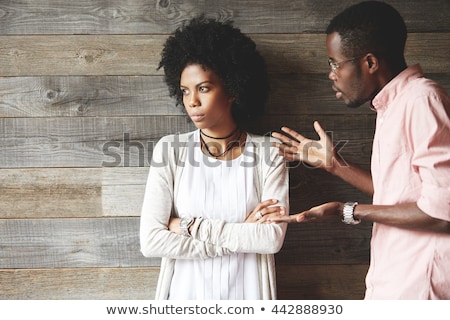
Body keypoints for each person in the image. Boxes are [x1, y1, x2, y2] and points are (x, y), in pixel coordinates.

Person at [271, 1, 450, 299]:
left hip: (419, 287)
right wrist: (334, 165)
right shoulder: (393, 105)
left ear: (369, 63)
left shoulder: (422, 100)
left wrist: (347, 211)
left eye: (335, 63)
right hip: (393, 277)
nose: (331, 74)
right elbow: (401, 195)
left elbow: (442, 211)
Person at [139, 16, 289, 300]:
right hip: (184, 298)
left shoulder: (269, 153)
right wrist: (240, 236)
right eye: (185, 91)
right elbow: (151, 241)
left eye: (203, 88)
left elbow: (271, 239)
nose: (192, 101)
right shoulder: (170, 151)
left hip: (248, 296)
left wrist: (189, 226)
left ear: (232, 89)